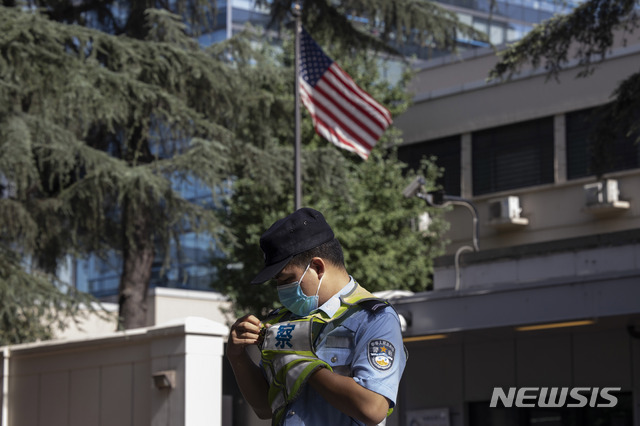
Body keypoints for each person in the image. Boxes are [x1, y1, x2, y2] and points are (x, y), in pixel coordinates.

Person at [227, 208, 407, 426]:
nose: (280, 288)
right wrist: (237, 357)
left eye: (286, 279)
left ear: (317, 267)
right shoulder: (283, 321)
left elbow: (372, 408)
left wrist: (302, 364)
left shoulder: (372, 318)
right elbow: (265, 408)